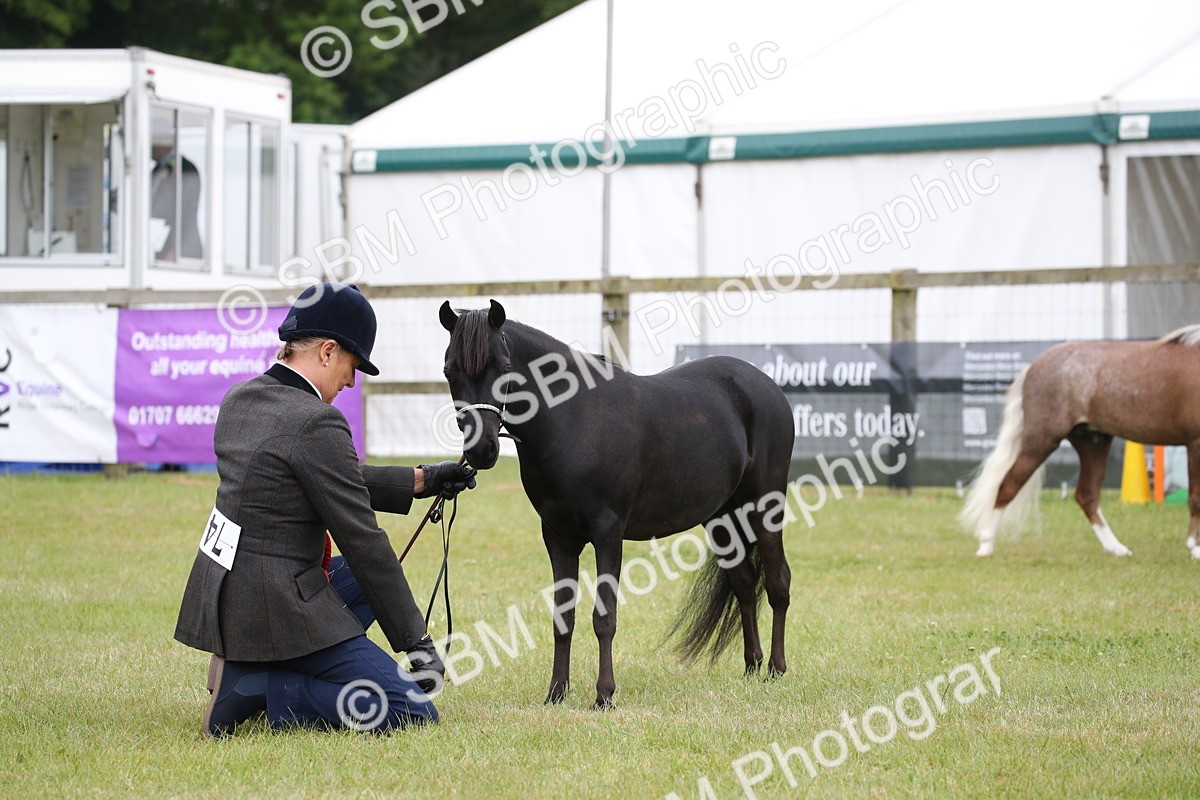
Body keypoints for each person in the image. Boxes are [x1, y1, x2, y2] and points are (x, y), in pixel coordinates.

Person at [174, 282, 476, 737]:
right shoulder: (316, 421)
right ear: (329, 352)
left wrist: (422, 480)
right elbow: (362, 540)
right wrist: (417, 644)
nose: (351, 382)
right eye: (353, 367)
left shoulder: (241, 400)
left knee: (354, 581)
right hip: (273, 606)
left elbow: (321, 476)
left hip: (229, 601)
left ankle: (244, 664)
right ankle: (260, 685)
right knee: (410, 710)